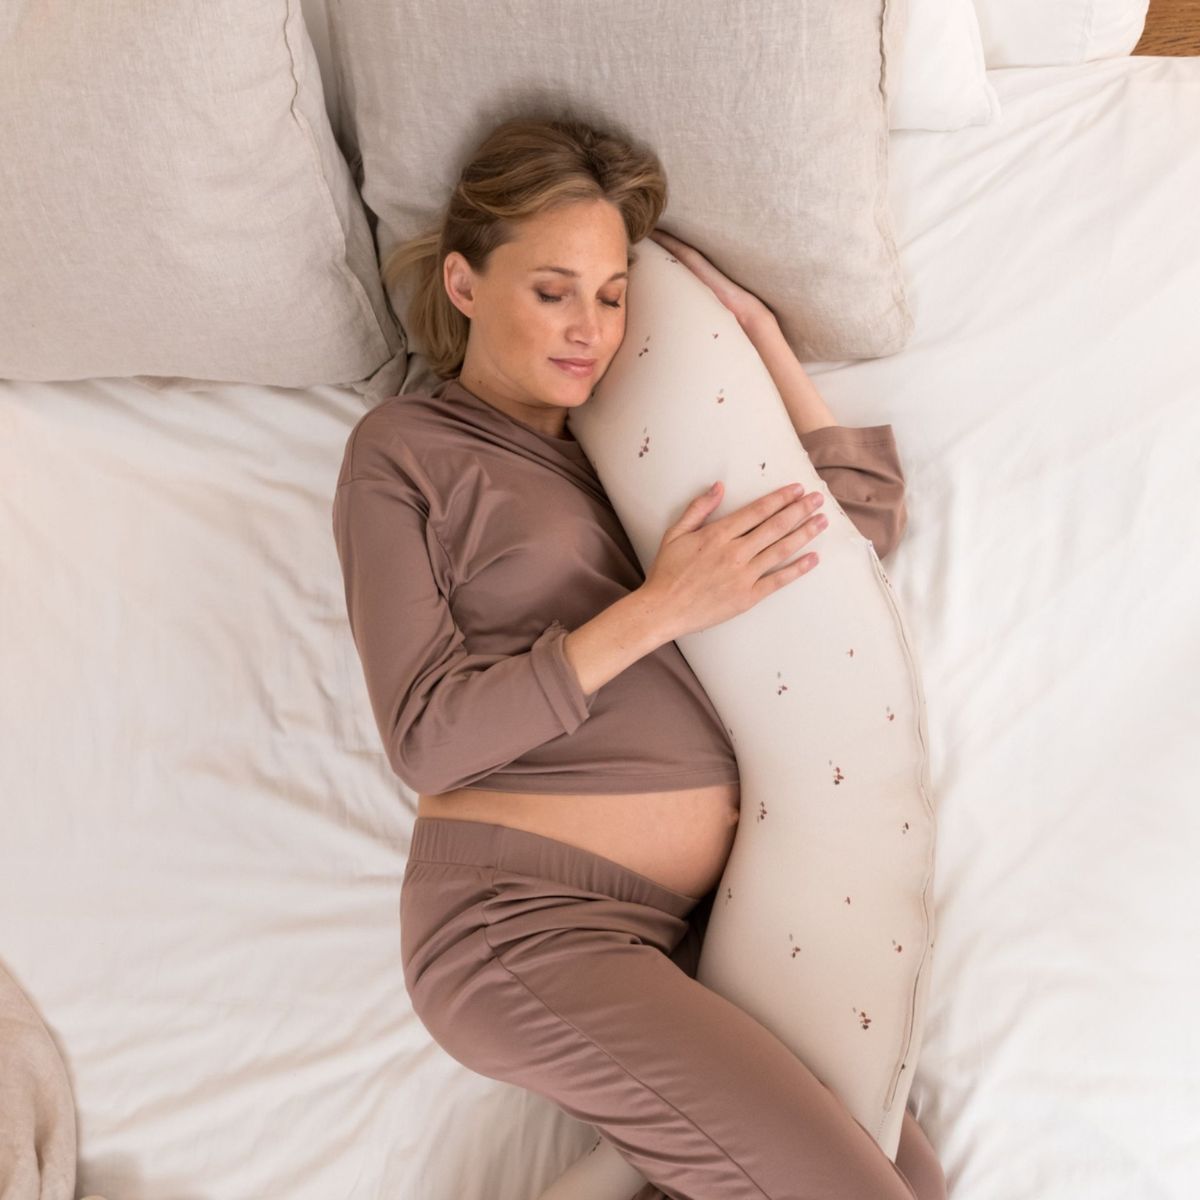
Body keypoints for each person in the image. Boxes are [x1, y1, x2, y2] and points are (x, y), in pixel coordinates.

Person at [332, 114, 946, 1200]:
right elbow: (427, 738)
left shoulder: (631, 441)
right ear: (467, 284)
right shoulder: (408, 452)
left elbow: (853, 543)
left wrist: (757, 336)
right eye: (552, 289)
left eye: (613, 295)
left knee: (901, 1167)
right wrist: (661, 606)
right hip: (517, 928)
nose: (589, 327)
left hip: (680, 936)